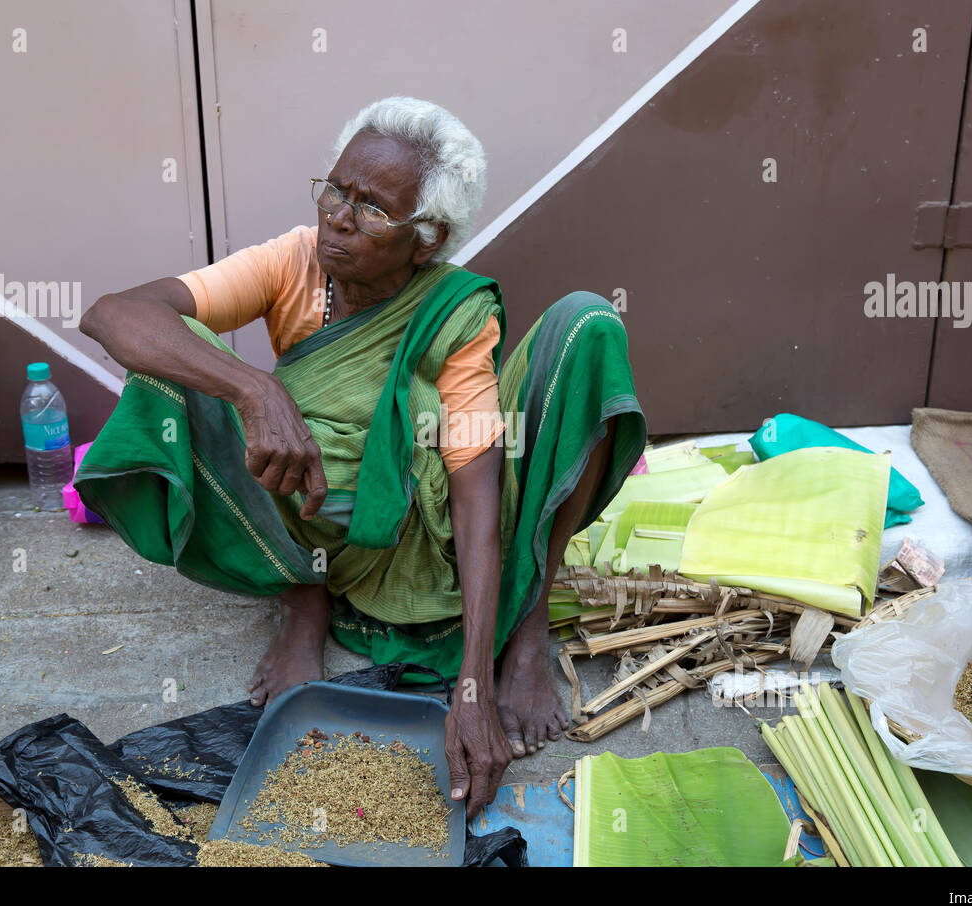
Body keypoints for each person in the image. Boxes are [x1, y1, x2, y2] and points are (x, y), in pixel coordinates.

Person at [77, 97, 645, 815]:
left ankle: (527, 626)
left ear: (426, 239)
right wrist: (255, 389)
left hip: (428, 523)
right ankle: (305, 598)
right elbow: (112, 313)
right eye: (335, 190)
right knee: (171, 363)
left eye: (372, 208)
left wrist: (472, 684)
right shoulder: (293, 261)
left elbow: (474, 493)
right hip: (324, 508)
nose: (338, 217)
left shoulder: (456, 312)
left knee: (587, 323)